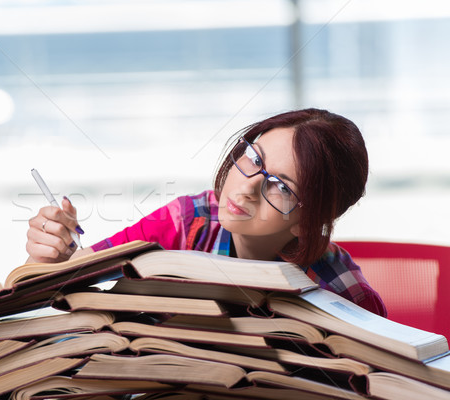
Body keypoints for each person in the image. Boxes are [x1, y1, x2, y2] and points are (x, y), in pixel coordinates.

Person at [25, 108, 387, 317]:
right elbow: (80, 269)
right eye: (254, 158)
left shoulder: (346, 296)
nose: (246, 188)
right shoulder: (189, 221)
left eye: (281, 186)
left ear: (307, 222)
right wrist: (56, 254)